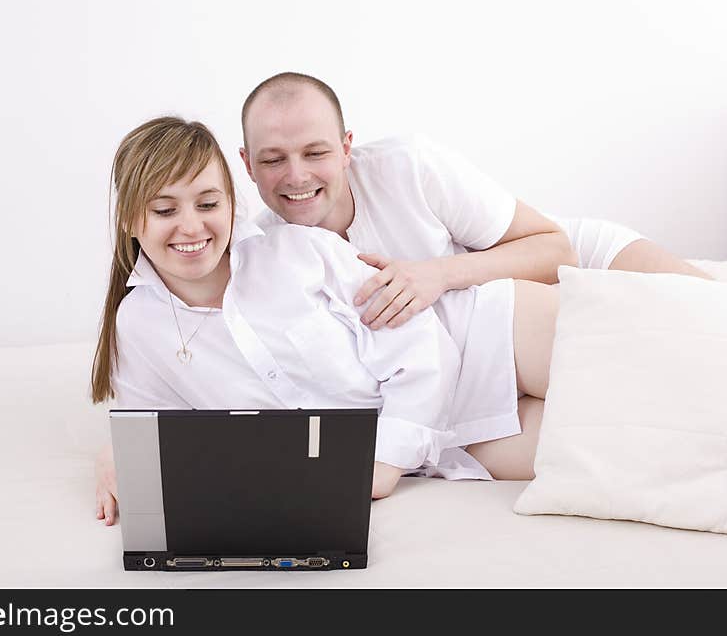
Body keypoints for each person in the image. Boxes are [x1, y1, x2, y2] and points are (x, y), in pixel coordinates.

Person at [92, 116, 560, 526]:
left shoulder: (298, 251)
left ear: (232, 204)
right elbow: (150, 425)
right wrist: (114, 455)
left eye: (208, 204)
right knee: (607, 447)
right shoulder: (139, 325)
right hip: (450, 439)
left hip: (482, 335)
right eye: (165, 210)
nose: (191, 226)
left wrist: (383, 462)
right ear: (132, 219)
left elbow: (419, 344)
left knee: (624, 370)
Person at [239, 72, 714, 332]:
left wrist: (436, 275)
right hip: (512, 333)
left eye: (315, 152)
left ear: (346, 147)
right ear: (247, 164)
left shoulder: (408, 165)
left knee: (713, 317)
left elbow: (556, 248)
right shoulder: (267, 252)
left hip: (581, 259)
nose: (296, 176)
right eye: (273, 159)